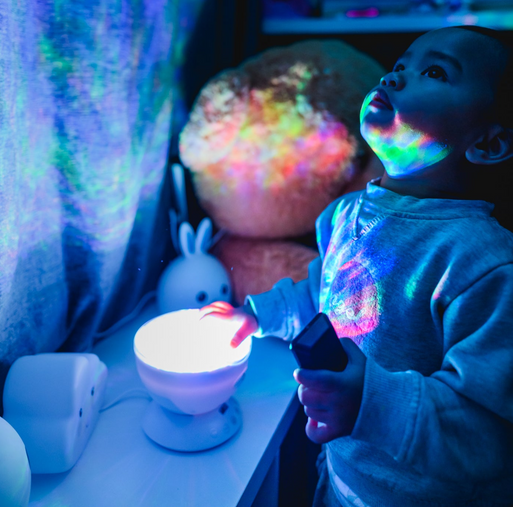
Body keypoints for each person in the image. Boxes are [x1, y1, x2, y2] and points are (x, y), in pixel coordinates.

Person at [200, 26, 513, 507]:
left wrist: (368, 399)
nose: (395, 78)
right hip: (342, 480)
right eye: (400, 66)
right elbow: (324, 294)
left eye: (433, 72)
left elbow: (486, 432)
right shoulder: (343, 216)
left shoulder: (483, 264)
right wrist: (255, 317)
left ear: (489, 144)